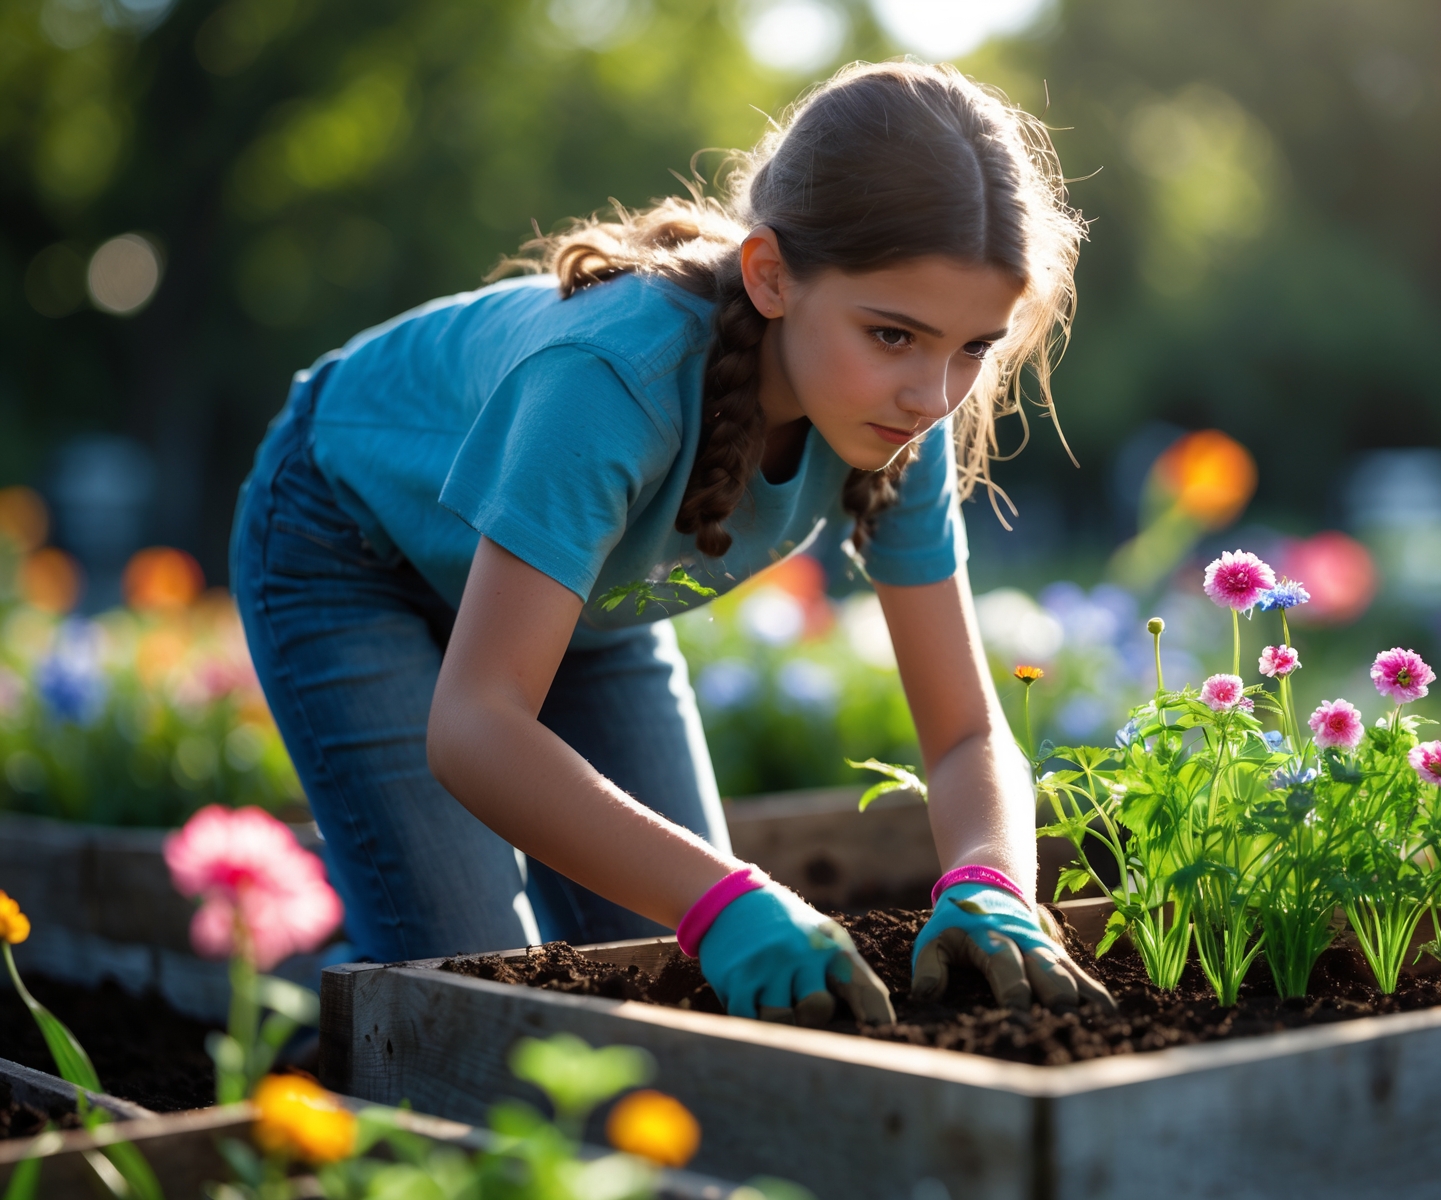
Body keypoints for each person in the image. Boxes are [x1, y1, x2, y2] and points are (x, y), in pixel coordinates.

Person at [231, 60, 1114, 1026]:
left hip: (583, 610)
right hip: (348, 542)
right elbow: (476, 726)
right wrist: (729, 899)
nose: (935, 393)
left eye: (975, 347)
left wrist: (992, 883)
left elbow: (966, 731)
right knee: (472, 983)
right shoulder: (612, 382)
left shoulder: (903, 419)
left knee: (672, 977)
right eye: (894, 335)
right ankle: (291, 1004)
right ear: (772, 276)